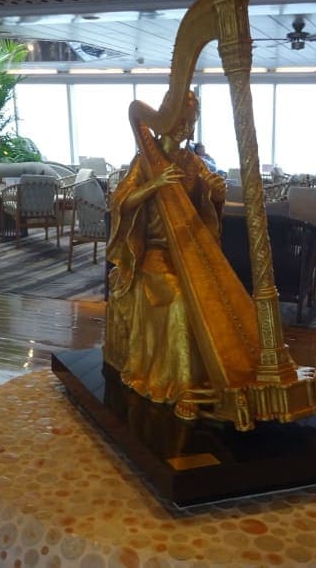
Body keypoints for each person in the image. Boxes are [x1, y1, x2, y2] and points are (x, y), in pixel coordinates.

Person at [107, 92, 226, 416]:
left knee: (217, 295)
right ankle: (181, 384)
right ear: (166, 119)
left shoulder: (193, 163)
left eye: (192, 123)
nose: (186, 129)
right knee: (180, 299)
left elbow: (206, 207)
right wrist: (154, 184)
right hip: (154, 253)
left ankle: (217, 375)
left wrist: (216, 195)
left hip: (187, 251)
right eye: (181, 121)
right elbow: (120, 202)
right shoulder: (144, 161)